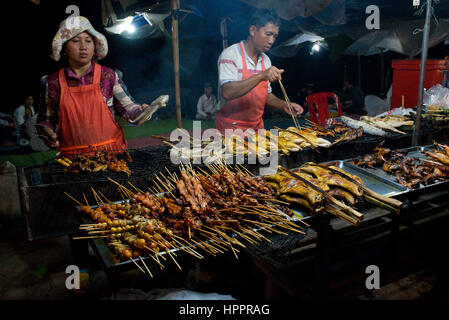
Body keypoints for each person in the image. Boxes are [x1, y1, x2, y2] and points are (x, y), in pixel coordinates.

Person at [37, 16, 163, 155]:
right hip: (72, 160)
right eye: (76, 41)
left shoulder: (108, 76)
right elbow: (45, 120)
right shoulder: (52, 82)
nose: (83, 47)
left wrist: (141, 111)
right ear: (64, 48)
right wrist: (47, 133)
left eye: (88, 41)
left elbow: (128, 108)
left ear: (95, 46)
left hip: (112, 154)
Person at [215, 9, 303, 134]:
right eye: (268, 34)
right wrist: (261, 75)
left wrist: (285, 105)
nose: (271, 41)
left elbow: (265, 95)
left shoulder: (265, 60)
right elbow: (228, 92)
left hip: (256, 129)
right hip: (231, 129)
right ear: (253, 30)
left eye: (275, 36)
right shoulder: (231, 55)